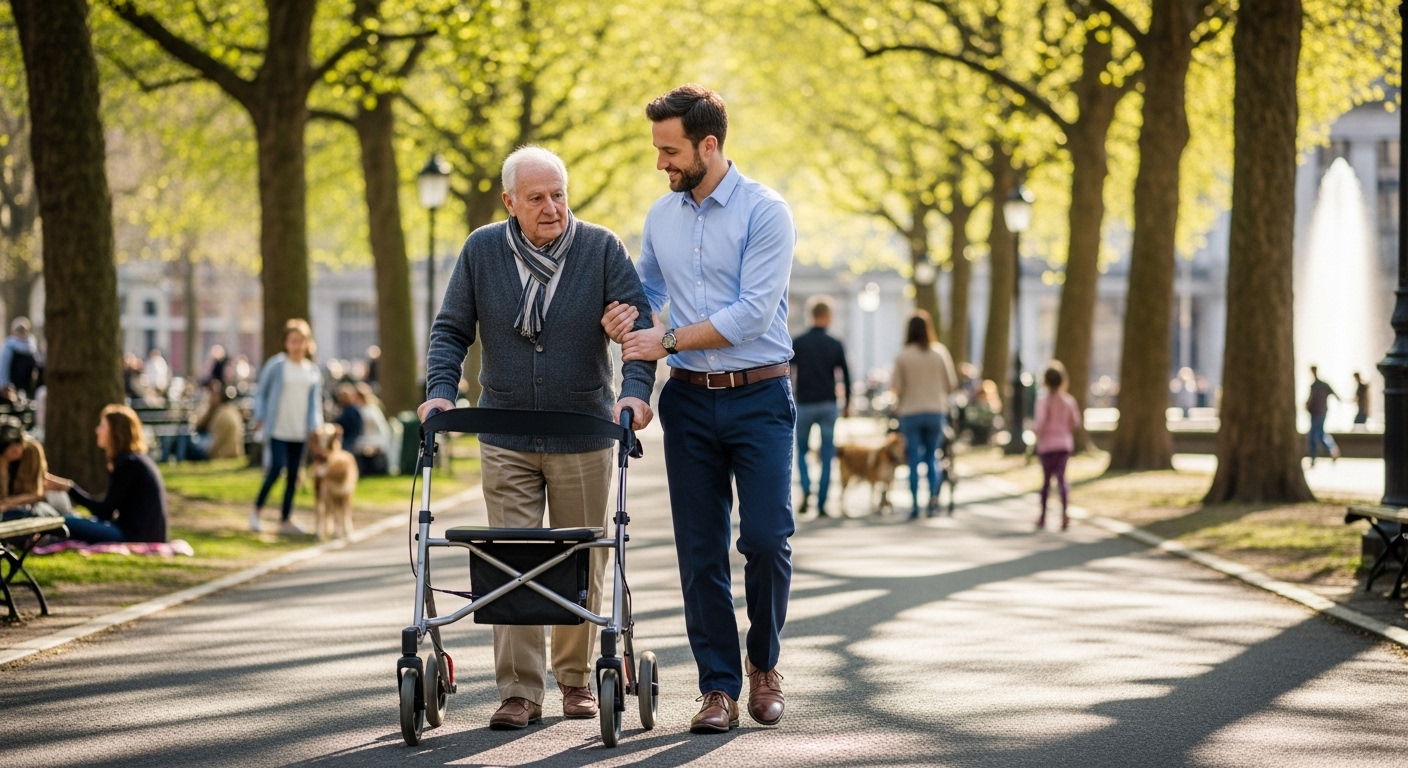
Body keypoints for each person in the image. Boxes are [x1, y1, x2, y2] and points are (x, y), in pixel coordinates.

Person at [418, 145, 655, 730]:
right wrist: (441, 390)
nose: (552, 208)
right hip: (503, 429)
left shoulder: (601, 249)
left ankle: (576, 680)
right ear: (509, 203)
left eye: (559, 195)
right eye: (537, 198)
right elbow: (451, 329)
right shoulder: (481, 251)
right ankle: (519, 690)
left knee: (579, 556)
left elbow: (640, 327)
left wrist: (635, 391)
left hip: (582, 429)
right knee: (513, 561)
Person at [602, 84, 794, 734]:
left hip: (761, 395)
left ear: (709, 145)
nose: (661, 163)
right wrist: (626, 316)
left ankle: (764, 663)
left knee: (766, 541)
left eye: (670, 150)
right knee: (700, 552)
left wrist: (670, 336)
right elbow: (650, 293)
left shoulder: (767, 212)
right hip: (688, 401)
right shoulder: (662, 217)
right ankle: (719, 687)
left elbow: (752, 314)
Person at [45, 405, 169, 544]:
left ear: (115, 431)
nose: (97, 430)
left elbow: (104, 512)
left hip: (133, 536)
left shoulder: (127, 463)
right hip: (146, 534)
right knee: (74, 521)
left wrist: (70, 489)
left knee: (64, 521)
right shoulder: (137, 459)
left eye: (102, 426)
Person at [251, 319, 323, 534]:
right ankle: (256, 511)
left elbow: (314, 403)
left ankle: (285, 519)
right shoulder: (277, 365)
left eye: (301, 341)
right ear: (286, 343)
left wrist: (315, 426)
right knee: (276, 468)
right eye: (292, 341)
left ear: (307, 343)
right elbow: (261, 393)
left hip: (299, 431)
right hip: (278, 428)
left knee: (293, 475)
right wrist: (260, 417)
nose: (297, 345)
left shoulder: (312, 371)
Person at [890, 311, 958, 519]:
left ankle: (913, 505)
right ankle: (932, 501)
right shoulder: (940, 353)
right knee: (932, 457)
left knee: (913, 459)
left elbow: (895, 388)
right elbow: (951, 384)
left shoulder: (903, 355)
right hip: (935, 412)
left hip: (910, 413)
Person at [790, 295, 851, 517]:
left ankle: (807, 488)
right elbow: (846, 375)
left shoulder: (798, 342)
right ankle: (823, 502)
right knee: (827, 455)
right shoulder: (835, 343)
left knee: (802, 451)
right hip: (828, 404)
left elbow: (787, 372)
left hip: (805, 404)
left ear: (811, 316)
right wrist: (848, 404)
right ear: (828, 316)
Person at [1033, 363, 1081, 531]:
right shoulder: (1068, 401)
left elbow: (1039, 424)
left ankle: (1043, 517)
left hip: (1047, 445)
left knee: (1046, 481)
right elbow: (1076, 422)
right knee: (1062, 480)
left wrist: (1037, 435)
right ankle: (1065, 514)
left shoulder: (1043, 401)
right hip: (1064, 444)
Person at [0, 416, 50, 520]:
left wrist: (9, 503)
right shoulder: (3, 456)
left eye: (13, 450)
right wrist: (3, 466)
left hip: (33, 506)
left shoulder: (32, 450)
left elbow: (37, 493)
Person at [185, 381, 245, 460]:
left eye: (213, 396)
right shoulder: (231, 410)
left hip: (222, 453)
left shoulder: (222, 415)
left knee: (188, 440)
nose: (210, 397)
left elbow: (214, 441)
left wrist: (208, 454)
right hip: (232, 451)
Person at [1305, 364, 1339, 465]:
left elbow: (1311, 398)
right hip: (1318, 412)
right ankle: (1331, 450)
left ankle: (1318, 455)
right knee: (1319, 434)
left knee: (1315, 435)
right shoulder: (1319, 385)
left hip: (1318, 413)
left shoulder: (1318, 385)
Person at [0, 317, 39, 399]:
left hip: (28, 387)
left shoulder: (32, 347)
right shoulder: (9, 347)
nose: (21, 333)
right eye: (18, 330)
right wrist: (5, 385)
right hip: (12, 387)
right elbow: (3, 368)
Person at [332, 384, 364, 455]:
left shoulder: (352, 411)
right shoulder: (344, 409)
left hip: (349, 442)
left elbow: (354, 428)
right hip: (345, 441)